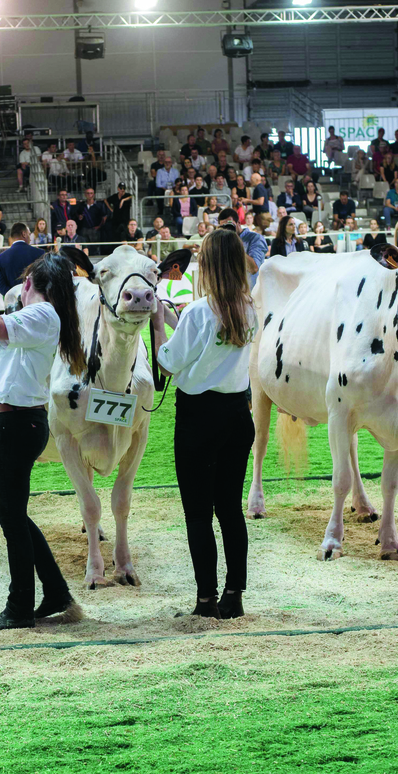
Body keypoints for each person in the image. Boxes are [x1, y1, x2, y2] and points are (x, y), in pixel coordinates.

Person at [0, 253, 85, 631]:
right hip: (13, 423)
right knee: (14, 514)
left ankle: (20, 607)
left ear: (29, 282)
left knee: (10, 516)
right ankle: (57, 594)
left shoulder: (43, 314)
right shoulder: (29, 321)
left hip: (15, 423)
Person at [149, 229, 255, 620]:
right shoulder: (248, 307)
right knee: (230, 510)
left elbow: (168, 362)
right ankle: (234, 594)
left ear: (207, 266)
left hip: (198, 419)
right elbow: (209, 347)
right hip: (236, 416)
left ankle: (205, 600)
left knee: (198, 512)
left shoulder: (198, 312)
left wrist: (160, 323)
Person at [0, 222, 44, 295]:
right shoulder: (40, 253)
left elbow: (0, 286)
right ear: (23, 234)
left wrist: (16, 296)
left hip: (14, 302)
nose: (30, 238)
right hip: (35, 299)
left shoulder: (0, 258)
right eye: (29, 234)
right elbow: (45, 278)